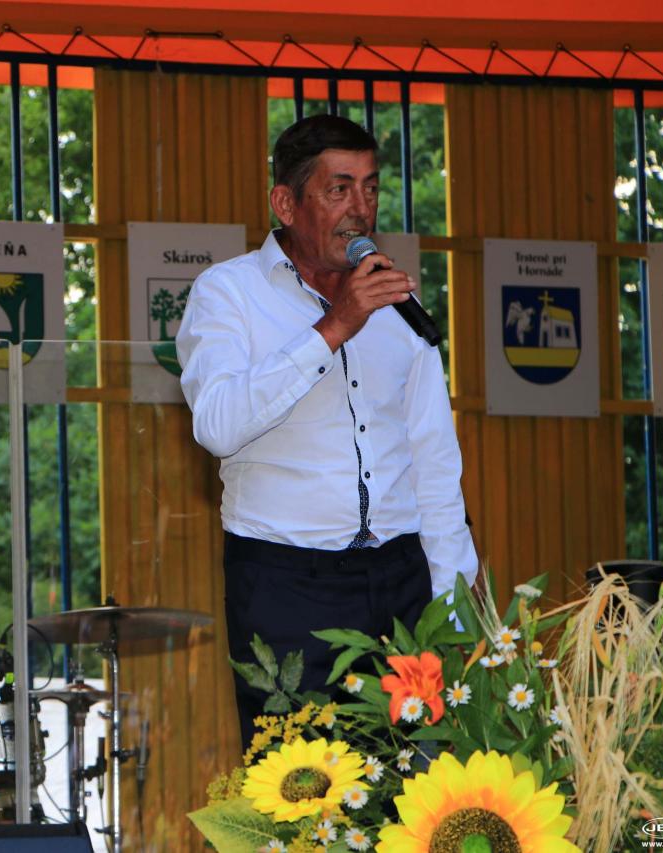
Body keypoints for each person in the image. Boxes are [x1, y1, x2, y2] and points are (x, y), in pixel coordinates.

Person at [175, 115, 478, 750]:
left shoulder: (399, 307)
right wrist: (334, 327)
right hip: (286, 584)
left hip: (402, 581)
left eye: (370, 188)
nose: (360, 208)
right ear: (285, 204)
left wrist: (452, 602)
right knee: (300, 786)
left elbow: (433, 463)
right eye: (339, 189)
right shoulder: (228, 293)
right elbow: (218, 425)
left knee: (415, 776)